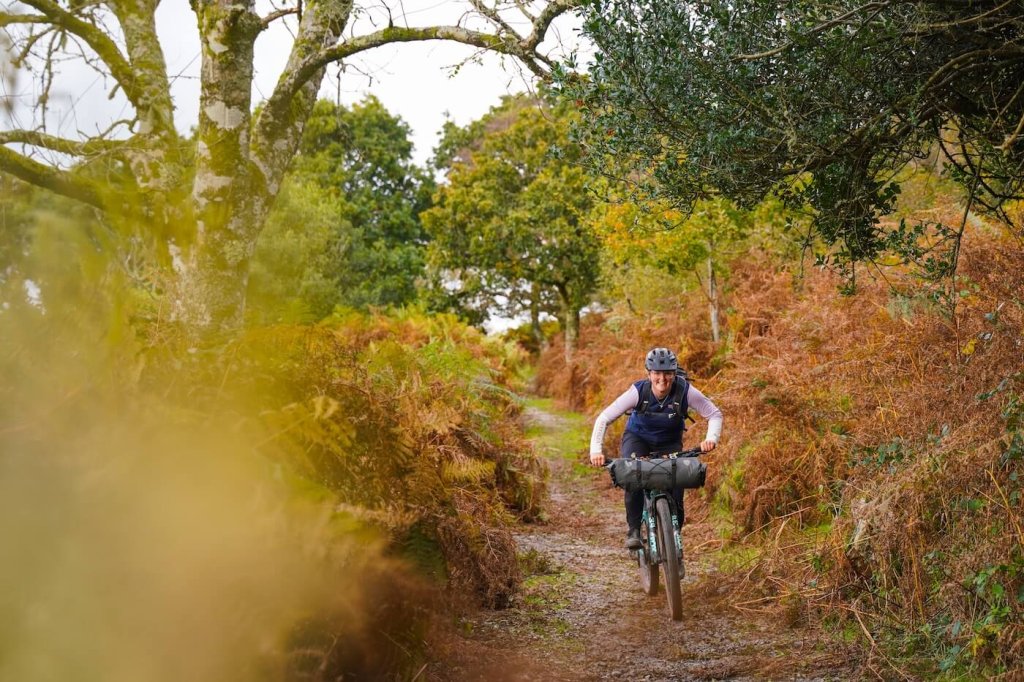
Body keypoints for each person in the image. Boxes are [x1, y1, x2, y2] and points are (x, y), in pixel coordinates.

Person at [589, 347, 723, 549]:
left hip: (670, 441)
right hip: (637, 438)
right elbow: (604, 418)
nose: (663, 378)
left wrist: (710, 439)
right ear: (649, 373)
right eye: (657, 373)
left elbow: (714, 414)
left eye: (668, 373)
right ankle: (634, 530)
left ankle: (674, 537)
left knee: (677, 484)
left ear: (674, 373)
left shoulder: (685, 391)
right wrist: (595, 451)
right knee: (634, 476)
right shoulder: (638, 391)